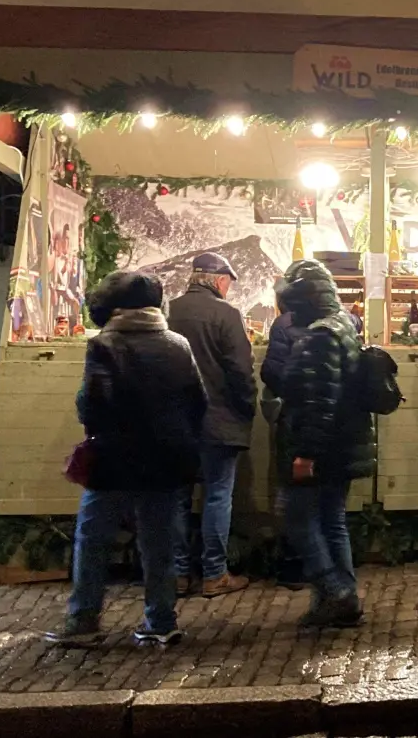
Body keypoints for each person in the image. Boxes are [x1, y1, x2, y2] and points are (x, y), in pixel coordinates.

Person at [46, 272, 206, 647]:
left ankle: (84, 620)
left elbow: (92, 404)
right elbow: (198, 402)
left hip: (116, 458)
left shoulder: (105, 344)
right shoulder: (178, 343)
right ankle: (161, 622)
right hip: (167, 458)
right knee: (159, 543)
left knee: (92, 537)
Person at [276, 259, 375, 628]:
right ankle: (339, 602)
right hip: (344, 443)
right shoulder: (345, 325)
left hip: (323, 447)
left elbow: (318, 402)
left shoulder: (319, 336)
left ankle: (335, 590)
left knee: (295, 515)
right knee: (332, 520)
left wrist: (305, 454)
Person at [167, 252, 257, 597]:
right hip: (219, 420)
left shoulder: (169, 311)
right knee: (218, 496)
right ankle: (214, 573)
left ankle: (176, 574)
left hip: (176, 423)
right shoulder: (226, 314)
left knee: (178, 497)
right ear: (220, 281)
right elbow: (240, 370)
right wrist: (247, 408)